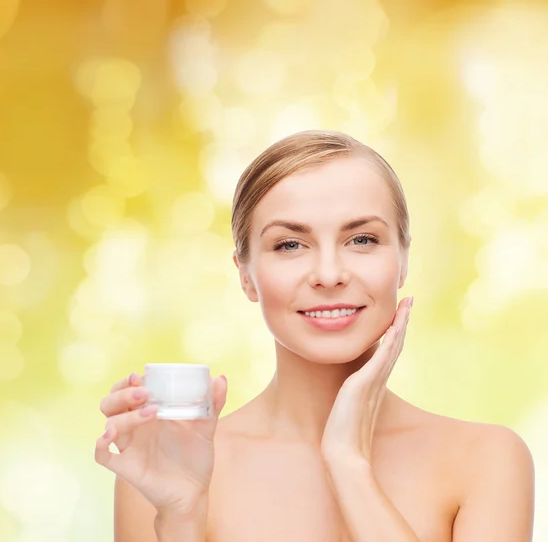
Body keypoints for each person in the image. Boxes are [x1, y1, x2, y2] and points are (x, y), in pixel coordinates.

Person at [95, 130, 535, 541]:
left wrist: (348, 462)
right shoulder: (164, 466)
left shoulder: (487, 461)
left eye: (361, 239)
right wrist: (182, 517)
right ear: (246, 276)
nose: (328, 275)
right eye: (290, 245)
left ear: (402, 261)